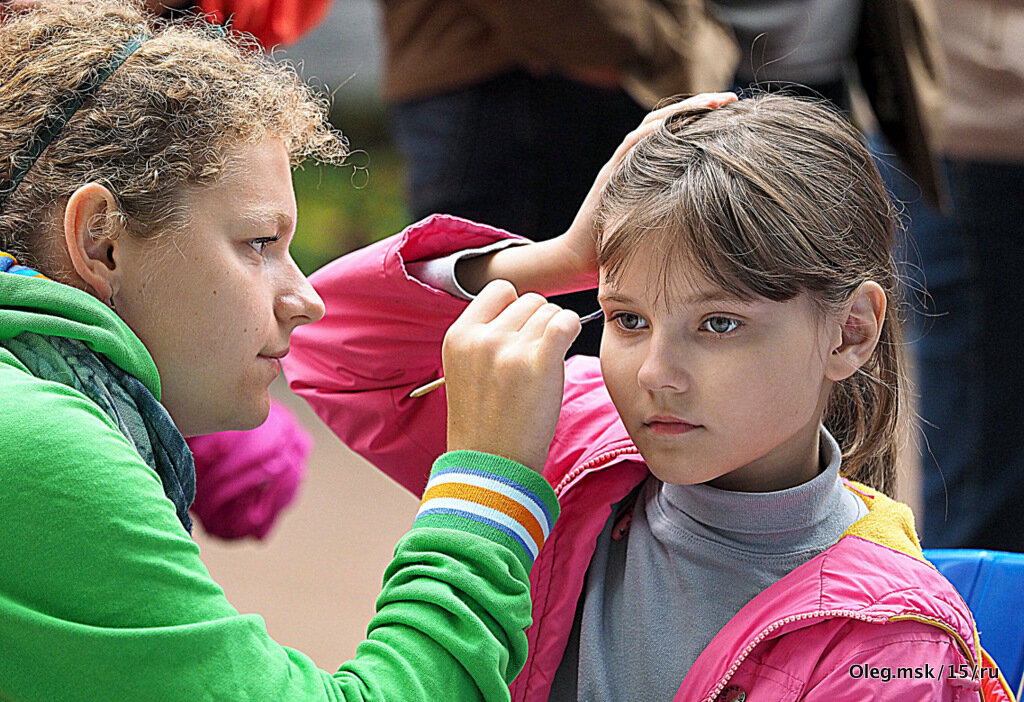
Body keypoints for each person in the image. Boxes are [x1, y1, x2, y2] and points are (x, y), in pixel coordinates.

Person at [285, 94, 1016, 700]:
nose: (655, 374)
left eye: (719, 324)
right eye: (628, 319)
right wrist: (557, 258)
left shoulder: (893, 644)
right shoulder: (571, 434)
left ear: (850, 332)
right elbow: (322, 339)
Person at [0, 1, 562, 699]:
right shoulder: (38, 444)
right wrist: (488, 493)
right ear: (101, 242)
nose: (306, 299)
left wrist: (560, 258)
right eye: (259, 243)